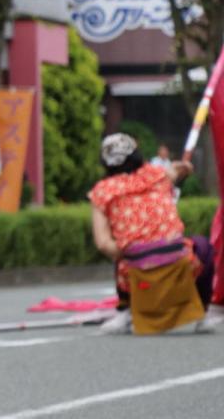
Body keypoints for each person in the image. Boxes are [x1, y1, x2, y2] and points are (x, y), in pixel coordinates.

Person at [90, 133, 216, 335]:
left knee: (119, 251)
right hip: (182, 264)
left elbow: (103, 243)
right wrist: (184, 168)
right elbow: (176, 171)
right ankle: (202, 312)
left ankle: (126, 310)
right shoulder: (158, 175)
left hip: (134, 271)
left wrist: (131, 249)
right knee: (203, 247)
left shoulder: (102, 191)